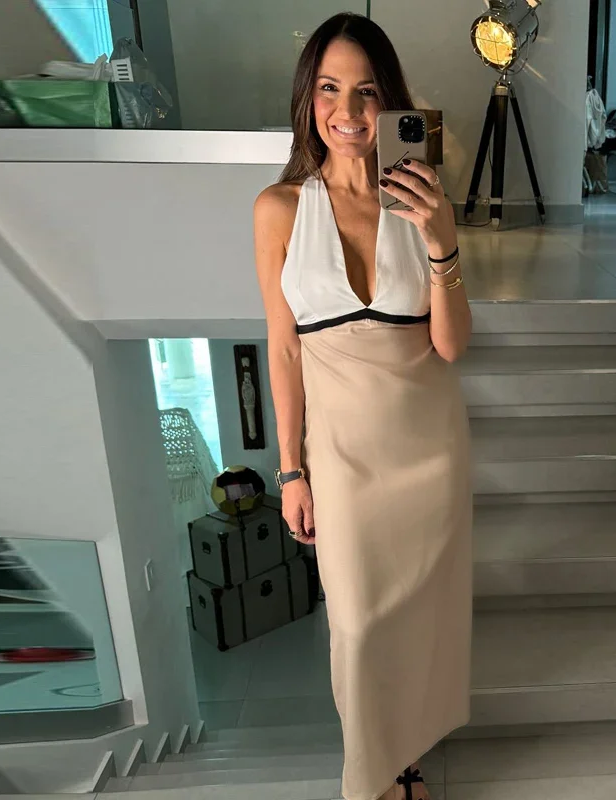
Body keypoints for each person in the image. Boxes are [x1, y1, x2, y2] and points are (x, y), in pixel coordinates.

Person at [253, 13, 472, 800]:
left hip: (427, 450)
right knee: (356, 630)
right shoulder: (279, 208)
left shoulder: (421, 204)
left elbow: (451, 345)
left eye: (367, 91)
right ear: (307, 98)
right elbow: (283, 349)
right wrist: (289, 471)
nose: (347, 111)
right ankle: (370, 778)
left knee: (416, 625)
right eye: (329, 88)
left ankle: (404, 766)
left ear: (392, 103)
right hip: (341, 461)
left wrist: (442, 240)